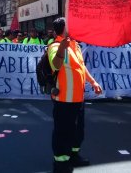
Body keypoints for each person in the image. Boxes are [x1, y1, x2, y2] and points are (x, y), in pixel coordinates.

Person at [48, 17, 102, 173]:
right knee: (63, 132)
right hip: (64, 100)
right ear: (63, 29)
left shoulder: (76, 46)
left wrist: (93, 82)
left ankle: (73, 155)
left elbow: (82, 68)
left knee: (78, 131)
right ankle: (60, 163)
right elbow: (55, 65)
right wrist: (61, 49)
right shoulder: (55, 46)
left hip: (78, 99)